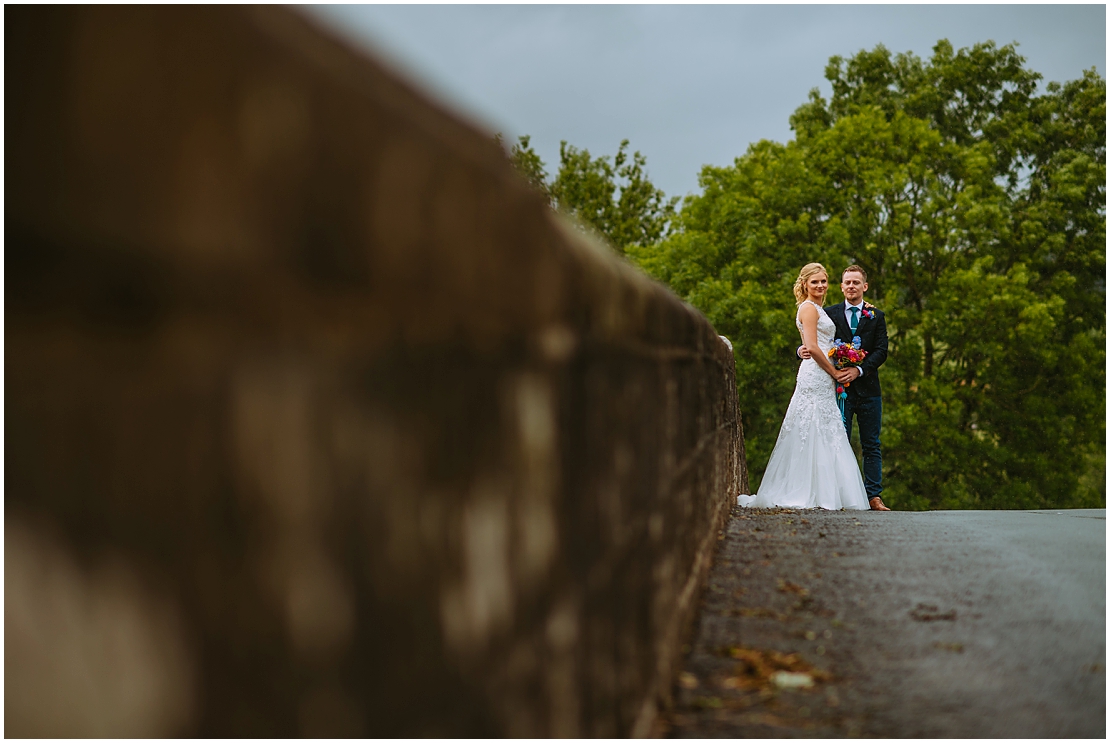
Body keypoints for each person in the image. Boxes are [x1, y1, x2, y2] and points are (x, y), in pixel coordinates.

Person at [737, 263, 869, 510]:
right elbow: (812, 346)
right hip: (816, 374)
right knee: (810, 426)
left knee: (826, 427)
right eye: (815, 282)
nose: (820, 286)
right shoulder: (808, 309)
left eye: (823, 281)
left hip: (822, 374)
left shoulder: (819, 308)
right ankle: (807, 489)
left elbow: (815, 345)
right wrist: (834, 372)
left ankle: (827, 490)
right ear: (805, 284)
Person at [798, 265, 890, 511]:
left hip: (869, 389)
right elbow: (812, 339)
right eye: (847, 282)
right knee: (839, 440)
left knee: (871, 443)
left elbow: (882, 351)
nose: (851, 286)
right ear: (841, 286)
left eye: (856, 283)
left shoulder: (876, 315)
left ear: (864, 286)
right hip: (839, 390)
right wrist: (800, 350)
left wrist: (859, 370)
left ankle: (873, 496)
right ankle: (840, 494)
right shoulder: (827, 313)